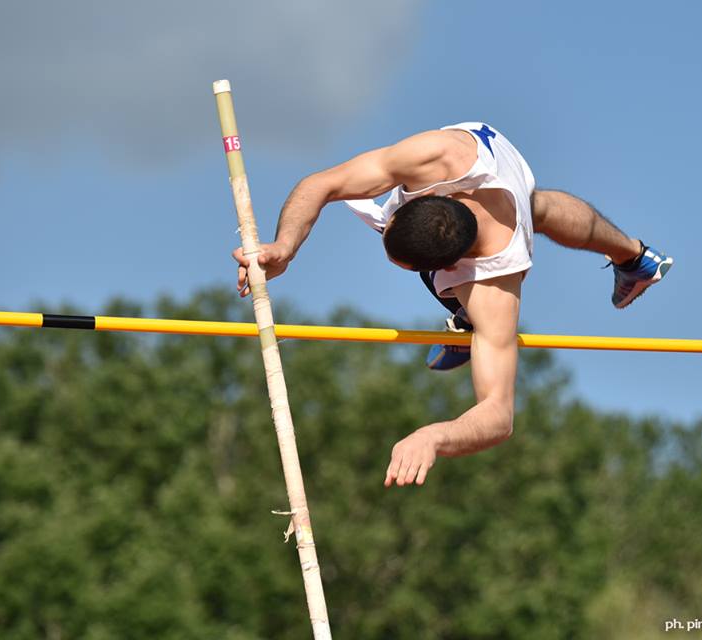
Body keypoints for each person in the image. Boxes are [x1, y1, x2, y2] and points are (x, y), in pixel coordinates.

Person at [231, 122, 673, 489]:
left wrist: (434, 437)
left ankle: (466, 323)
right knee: (536, 206)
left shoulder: (494, 286)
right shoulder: (432, 157)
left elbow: (498, 415)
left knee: (530, 215)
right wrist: (285, 247)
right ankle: (633, 256)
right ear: (419, 198)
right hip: (483, 155)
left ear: (452, 270)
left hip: (497, 211)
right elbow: (321, 183)